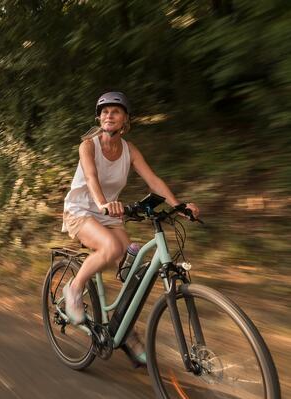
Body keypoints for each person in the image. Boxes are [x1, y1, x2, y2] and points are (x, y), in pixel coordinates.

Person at [61, 91, 199, 363]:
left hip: (109, 215)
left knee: (135, 261)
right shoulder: (88, 145)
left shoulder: (129, 149)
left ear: (125, 120)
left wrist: (178, 204)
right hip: (81, 210)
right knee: (112, 248)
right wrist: (102, 203)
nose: (108, 115)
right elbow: (90, 177)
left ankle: (124, 330)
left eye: (115, 111)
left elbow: (153, 180)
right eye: (104, 111)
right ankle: (74, 289)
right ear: (99, 118)